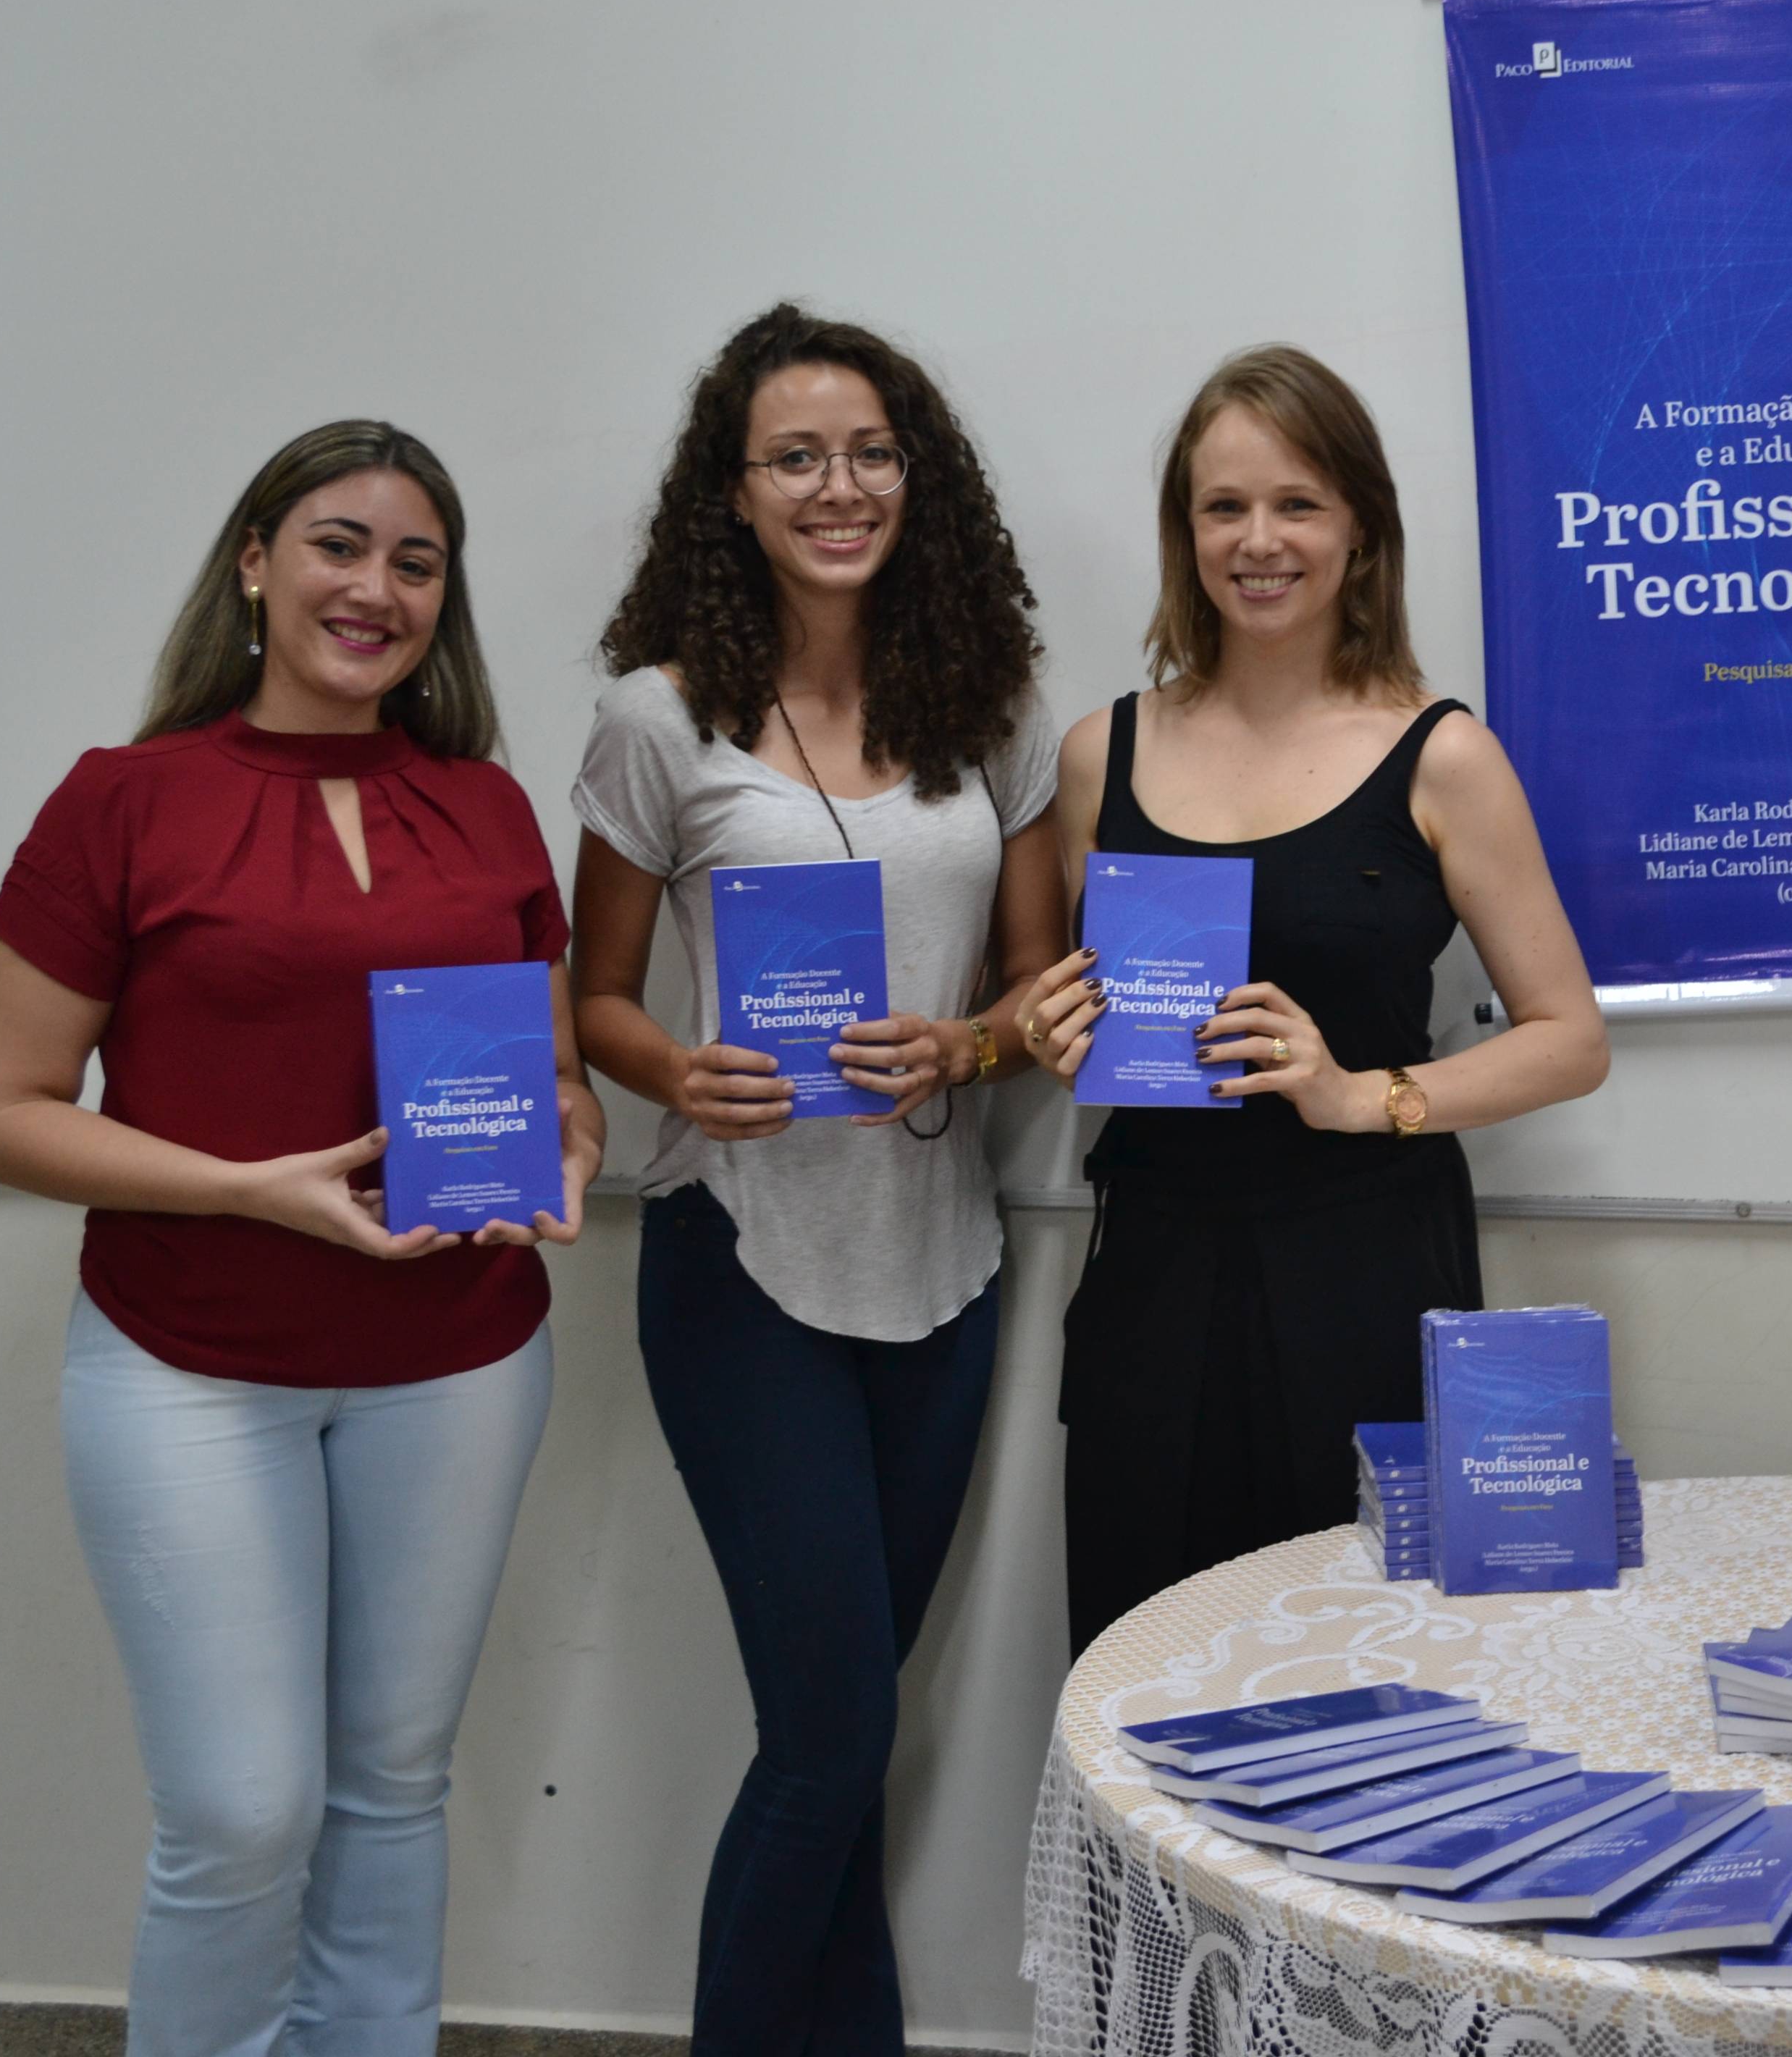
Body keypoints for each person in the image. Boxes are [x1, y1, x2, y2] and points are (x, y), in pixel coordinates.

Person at [0, 421, 598, 2057]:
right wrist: (256, 1187)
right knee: (241, 1815)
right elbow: (6, 1109)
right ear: (254, 560)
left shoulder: (488, 808)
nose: (371, 588)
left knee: (391, 1787)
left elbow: (555, 1073)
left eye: (414, 561)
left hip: (457, 1361)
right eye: (336, 543)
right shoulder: (124, 803)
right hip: (192, 1364)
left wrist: (575, 1135)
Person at [568, 306, 1060, 2057]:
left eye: (869, 451)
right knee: (832, 1734)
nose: (838, 486)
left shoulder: (990, 702)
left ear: (913, 478)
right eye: (796, 456)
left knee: (853, 1727)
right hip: (740, 1261)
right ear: (738, 490)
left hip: (945, 1269)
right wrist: (671, 1067)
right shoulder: (657, 716)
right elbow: (595, 998)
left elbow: (1041, 987)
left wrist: (970, 1050)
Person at [1023, 345, 1609, 1659]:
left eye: (1297, 503)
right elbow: (1087, 1008)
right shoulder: (1098, 753)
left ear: (1360, 528)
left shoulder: (1441, 754)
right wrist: (1056, 1035)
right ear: (1185, 534)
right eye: (1223, 507)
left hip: (1364, 1264)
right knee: (1142, 1677)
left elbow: (1571, 1041)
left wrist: (1363, 1097)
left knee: (1359, 1679)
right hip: (1152, 1278)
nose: (1259, 540)